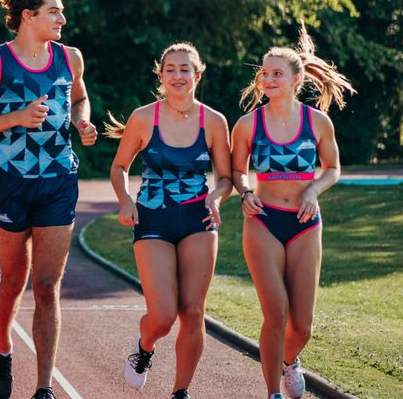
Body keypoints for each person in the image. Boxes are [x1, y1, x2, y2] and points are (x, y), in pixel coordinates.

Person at [0, 0, 98, 399]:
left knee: (47, 284)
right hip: (14, 181)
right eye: (54, 12)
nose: (62, 20)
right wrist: (16, 118)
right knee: (14, 278)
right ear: (27, 15)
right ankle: (2, 347)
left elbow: (78, 97)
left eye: (62, 12)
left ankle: (43, 388)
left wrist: (82, 121)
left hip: (59, 180)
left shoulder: (69, 57)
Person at [230, 26, 353, 399]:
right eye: (264, 73)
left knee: (301, 326)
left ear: (296, 79)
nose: (268, 79)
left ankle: (289, 361)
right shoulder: (248, 124)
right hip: (263, 221)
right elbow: (236, 171)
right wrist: (245, 191)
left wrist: (314, 190)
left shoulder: (317, 121)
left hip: (304, 224)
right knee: (276, 312)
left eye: (276, 73)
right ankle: (272, 393)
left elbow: (332, 168)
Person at [105, 43, 233, 399]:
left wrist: (217, 195)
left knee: (193, 311)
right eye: (171, 69)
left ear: (198, 74)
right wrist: (125, 200)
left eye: (185, 69)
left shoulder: (214, 121)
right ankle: (144, 346)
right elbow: (119, 166)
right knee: (162, 316)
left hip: (198, 218)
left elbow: (226, 177)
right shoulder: (144, 117)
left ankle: (180, 391)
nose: (178, 76)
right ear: (161, 75)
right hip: (153, 218)